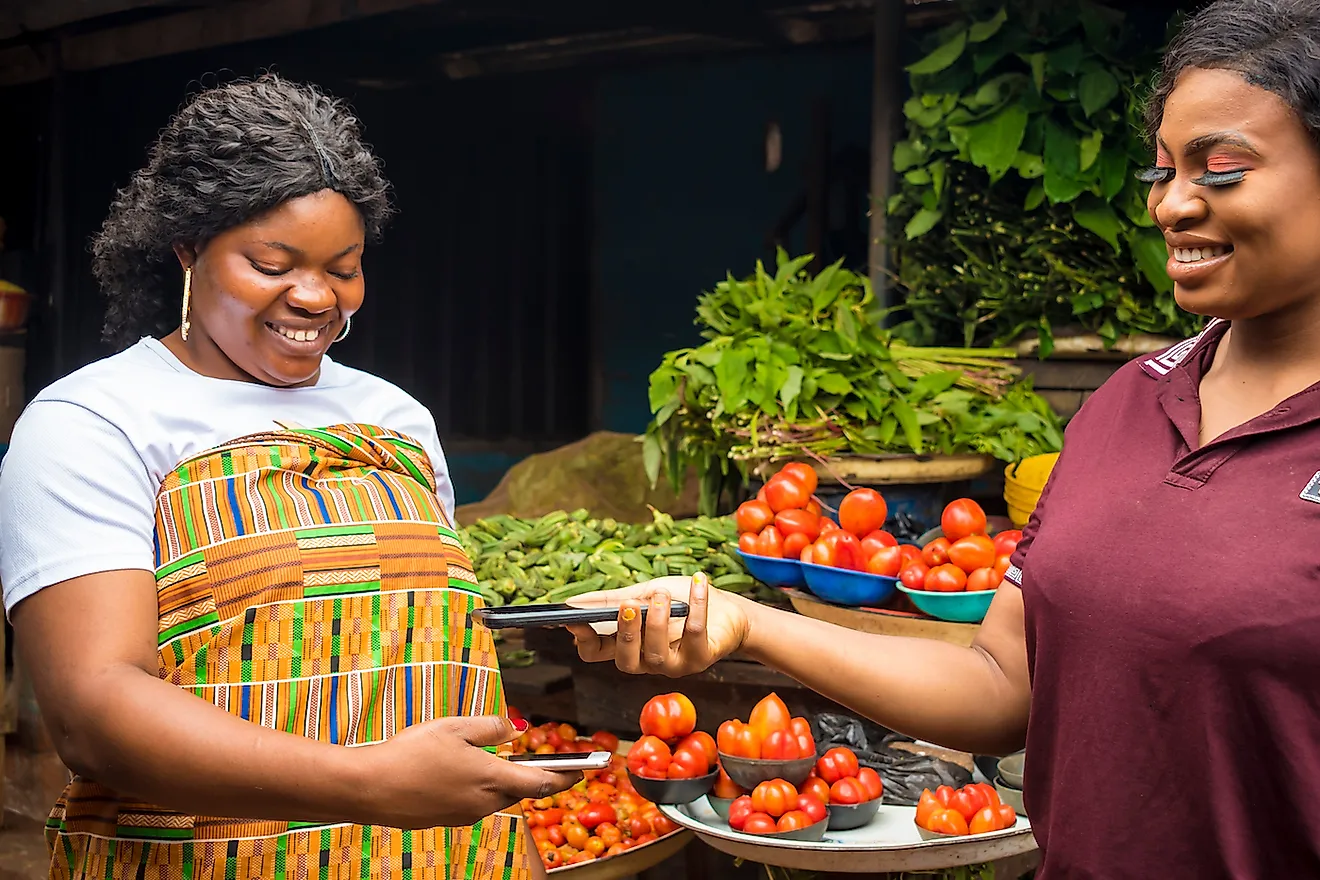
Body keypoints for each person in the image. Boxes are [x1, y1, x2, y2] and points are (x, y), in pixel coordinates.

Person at [571, 1, 1320, 876]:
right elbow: (1002, 686)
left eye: (1222, 168)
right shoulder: (1126, 406)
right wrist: (746, 626)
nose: (1173, 205)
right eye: (1162, 171)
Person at [0, 76, 578, 880]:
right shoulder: (96, 421)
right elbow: (92, 709)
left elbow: (423, 648)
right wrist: (368, 785)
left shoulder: (397, 419)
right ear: (185, 251)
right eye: (272, 263)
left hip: (445, 861)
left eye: (344, 268)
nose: (314, 297)